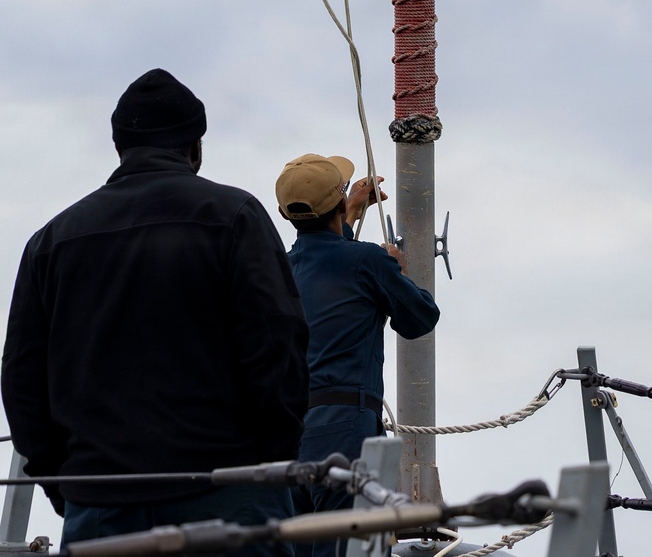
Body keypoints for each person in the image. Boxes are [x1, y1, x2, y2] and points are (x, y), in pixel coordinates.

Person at [2, 69, 309, 550]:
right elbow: (278, 349)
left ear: (119, 147)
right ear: (196, 147)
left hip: (101, 509)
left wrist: (69, 487)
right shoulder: (235, 217)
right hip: (228, 496)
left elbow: (21, 379)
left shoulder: (50, 242)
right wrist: (267, 463)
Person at [275, 153, 439, 523]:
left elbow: (324, 256)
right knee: (346, 546)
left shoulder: (278, 270)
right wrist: (396, 271)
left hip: (286, 435)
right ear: (336, 201)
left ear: (285, 214)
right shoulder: (367, 261)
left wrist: (348, 214)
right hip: (344, 429)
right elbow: (420, 318)